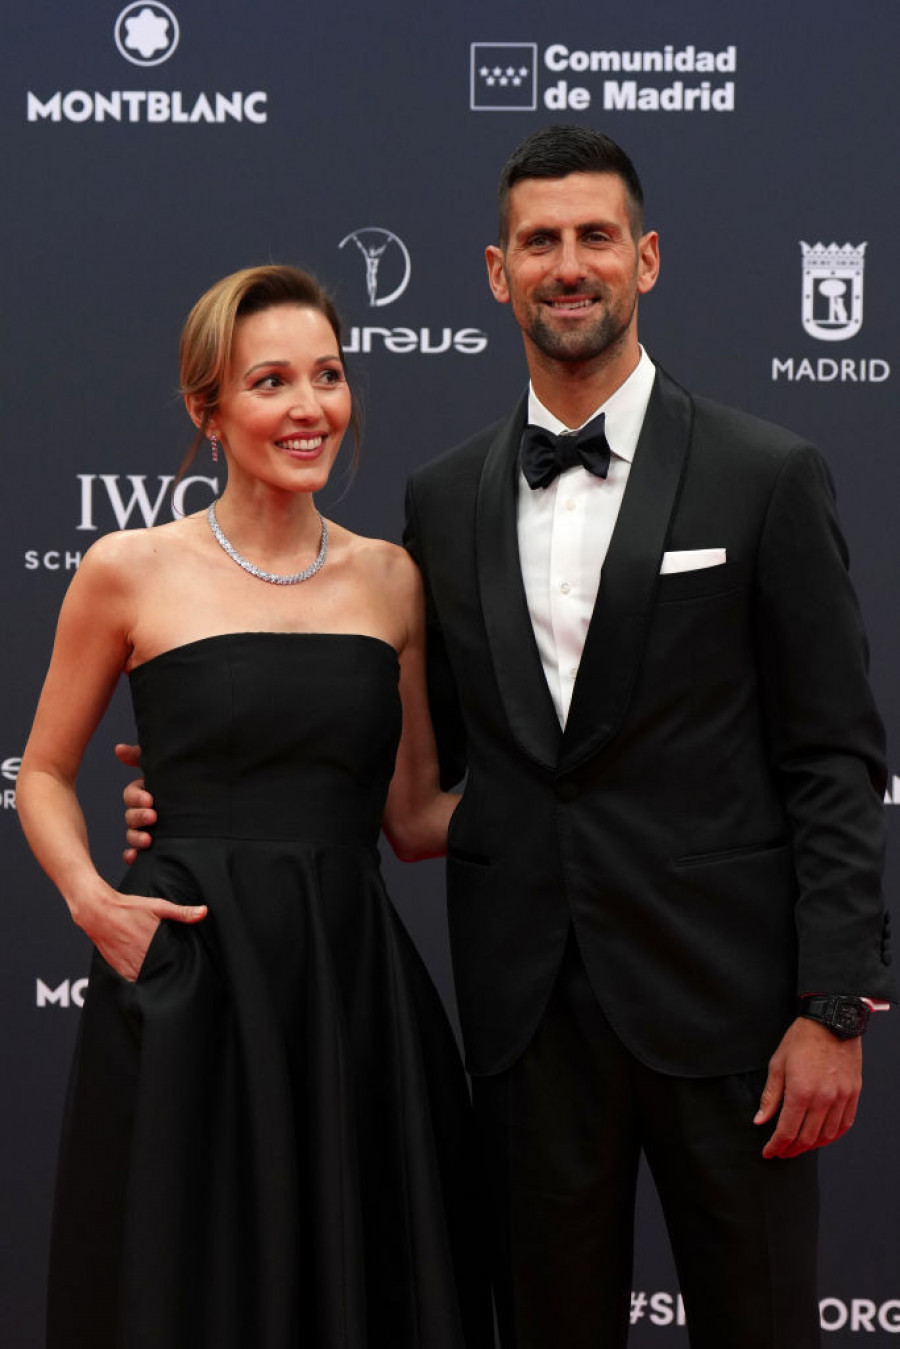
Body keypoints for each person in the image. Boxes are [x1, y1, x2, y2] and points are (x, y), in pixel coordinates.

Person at [123, 130, 895, 1349]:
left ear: (646, 258)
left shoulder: (766, 475)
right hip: (528, 1024)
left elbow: (835, 759)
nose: (568, 264)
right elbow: (406, 759)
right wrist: (216, 792)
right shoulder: (444, 498)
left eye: (596, 237)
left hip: (734, 1018)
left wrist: (834, 1004)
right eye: (540, 241)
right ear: (498, 272)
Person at [17, 264, 491, 1349]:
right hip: (190, 976)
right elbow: (41, 772)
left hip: (347, 987)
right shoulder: (127, 569)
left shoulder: (392, 579)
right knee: (191, 1285)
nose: (308, 406)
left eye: (328, 375)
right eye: (270, 381)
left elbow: (415, 817)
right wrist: (95, 901)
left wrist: (586, 813)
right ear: (209, 408)